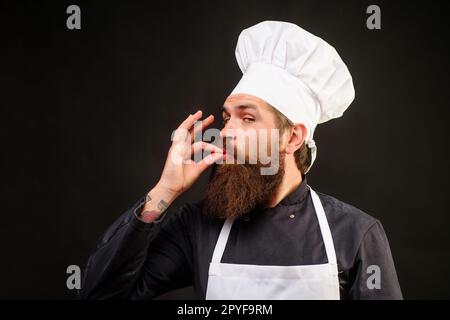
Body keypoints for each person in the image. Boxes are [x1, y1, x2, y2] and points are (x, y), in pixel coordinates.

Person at [80, 21, 402, 300]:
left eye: (247, 118)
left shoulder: (355, 234)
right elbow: (102, 294)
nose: (226, 132)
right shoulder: (201, 227)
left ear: (292, 138)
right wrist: (165, 189)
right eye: (227, 117)